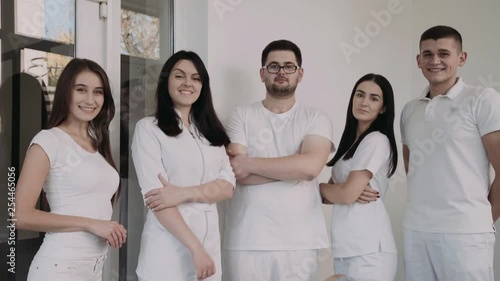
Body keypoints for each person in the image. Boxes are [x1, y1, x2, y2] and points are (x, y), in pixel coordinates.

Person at [222, 39, 334, 281]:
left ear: (300, 73)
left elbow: (311, 167)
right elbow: (236, 173)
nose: (281, 72)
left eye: (289, 66)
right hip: (247, 238)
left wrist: (250, 162)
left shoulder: (316, 117)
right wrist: (292, 167)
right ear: (262, 74)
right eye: (273, 66)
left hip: (300, 241)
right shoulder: (242, 115)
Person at [401, 25, 500, 281]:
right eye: (427, 54)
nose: (435, 61)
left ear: (461, 58)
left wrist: (480, 222)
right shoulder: (409, 110)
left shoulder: (483, 99)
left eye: (444, 53)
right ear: (418, 60)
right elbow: (412, 167)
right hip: (416, 231)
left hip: (465, 233)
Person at [15, 58, 127, 281]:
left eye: (98, 92)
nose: (90, 99)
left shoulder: (97, 141)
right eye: (81, 90)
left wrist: (108, 226)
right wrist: (91, 224)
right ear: (66, 92)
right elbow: (20, 216)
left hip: (94, 268)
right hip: (59, 268)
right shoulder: (48, 140)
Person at [131, 50, 235, 281]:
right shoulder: (149, 129)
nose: (188, 83)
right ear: (166, 81)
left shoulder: (211, 133)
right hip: (168, 252)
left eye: (196, 78)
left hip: (208, 250)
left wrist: (181, 193)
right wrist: (195, 249)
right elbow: (157, 200)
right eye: (179, 76)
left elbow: (227, 187)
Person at [320, 74, 398, 281]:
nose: (364, 102)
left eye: (374, 98)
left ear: (383, 108)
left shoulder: (376, 140)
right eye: (360, 95)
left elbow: (344, 195)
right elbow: (331, 196)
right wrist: (340, 190)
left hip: (370, 250)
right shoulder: (351, 144)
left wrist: (331, 189)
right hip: (346, 246)